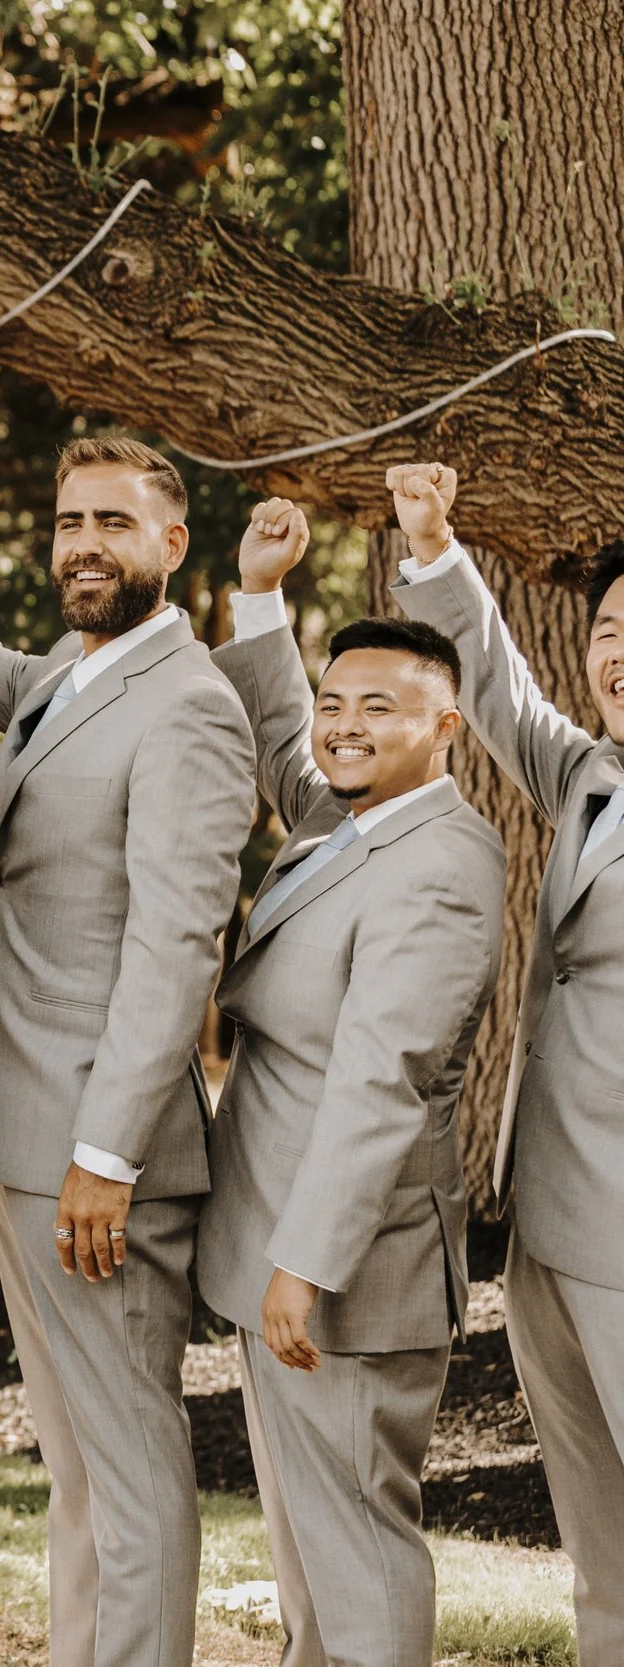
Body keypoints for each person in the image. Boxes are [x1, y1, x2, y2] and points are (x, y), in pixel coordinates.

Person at [0, 390, 255, 1667]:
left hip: (98, 1151)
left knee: (128, 1466)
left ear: (173, 542)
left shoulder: (187, 703)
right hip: (21, 1133)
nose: (83, 541)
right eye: (68, 519)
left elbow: (174, 946)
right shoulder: (72, 676)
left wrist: (108, 1152)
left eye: (113, 522)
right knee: (76, 1461)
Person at [207, 495, 503, 1666]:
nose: (341, 726)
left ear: (449, 725)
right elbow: (291, 736)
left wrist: (303, 1259)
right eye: (335, 704)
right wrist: (262, 594)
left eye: (377, 707)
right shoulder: (347, 815)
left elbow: (383, 1077)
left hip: (347, 1262)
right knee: (306, 1546)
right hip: (282, 1234)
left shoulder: (438, 865)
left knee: (359, 1538)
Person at [386, 462, 624, 1656]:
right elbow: (502, 697)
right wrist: (432, 548)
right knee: (599, 1548)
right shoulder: (587, 777)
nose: (616, 651)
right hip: (546, 1225)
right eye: (608, 628)